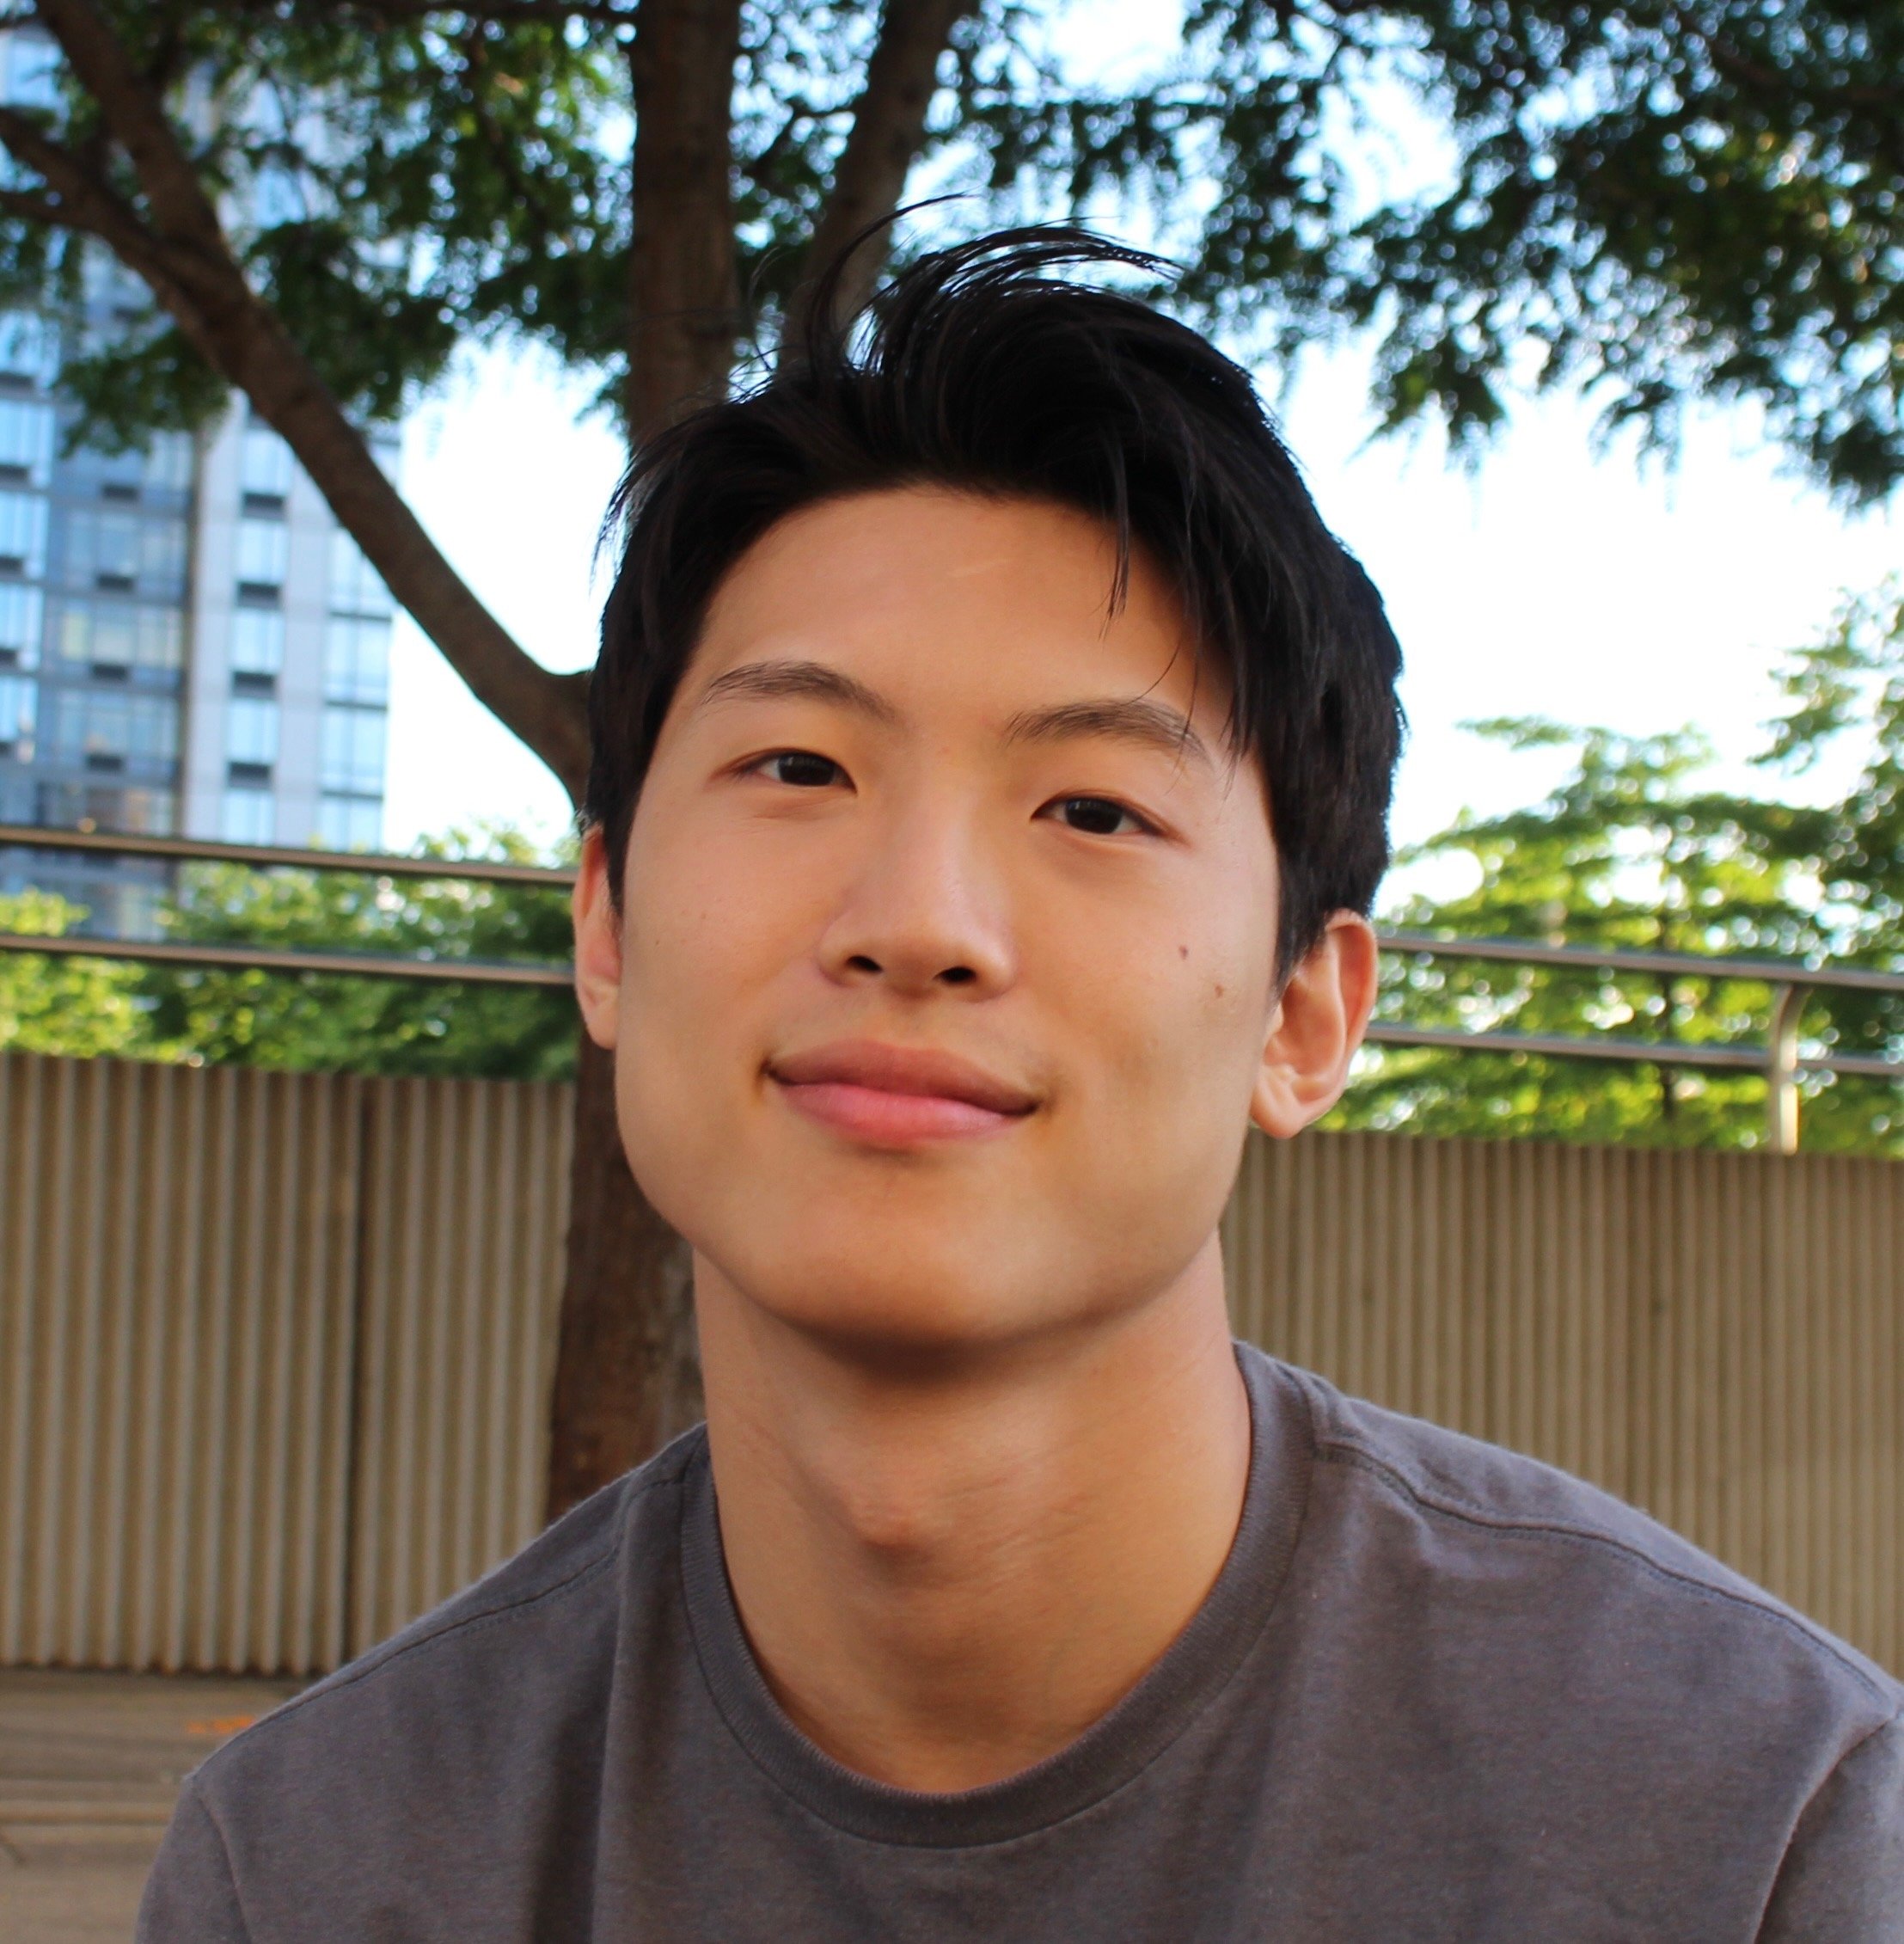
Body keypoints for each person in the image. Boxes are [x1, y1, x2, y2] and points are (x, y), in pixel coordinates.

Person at [138, 230, 1902, 1943]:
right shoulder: (316, 1865)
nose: (919, 924)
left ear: (1303, 1014)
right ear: (604, 928)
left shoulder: (1756, 1827)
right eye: (799, 763)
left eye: (1093, 810)